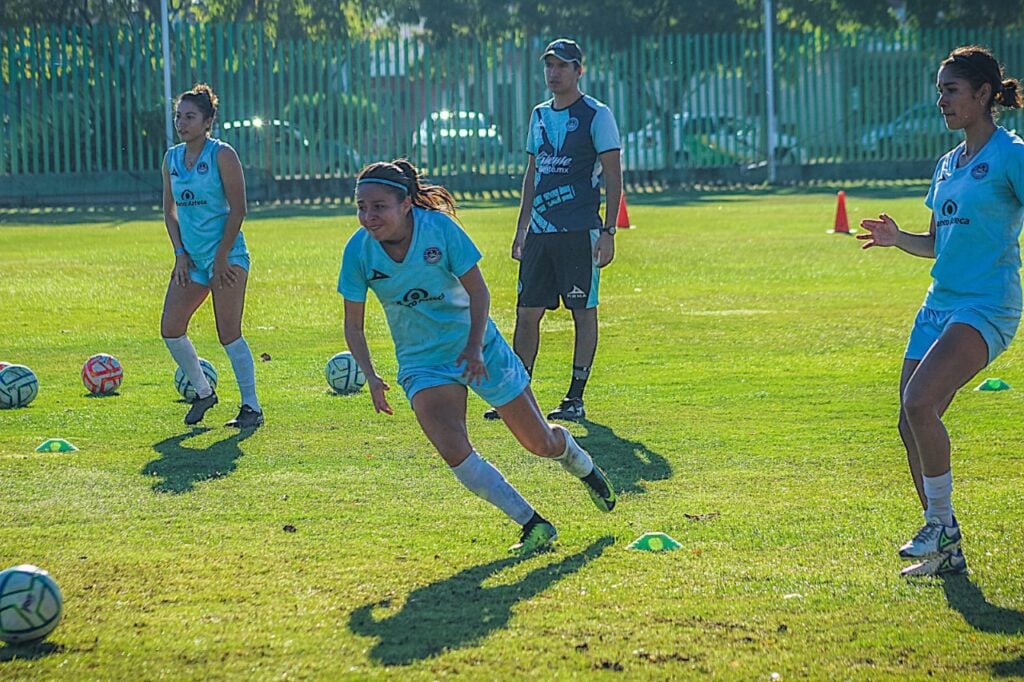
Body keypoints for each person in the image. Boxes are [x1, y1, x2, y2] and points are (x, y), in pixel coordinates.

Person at [338, 160, 616, 555]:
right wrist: (370, 375)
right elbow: (354, 326)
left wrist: (472, 347)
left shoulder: (439, 230)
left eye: (378, 206)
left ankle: (578, 460)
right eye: (361, 206)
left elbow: (479, 293)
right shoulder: (359, 251)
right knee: (454, 451)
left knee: (540, 444)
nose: (368, 216)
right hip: (423, 362)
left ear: (405, 205)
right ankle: (533, 524)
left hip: (479, 347)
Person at [858, 45, 1024, 577]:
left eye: (951, 90)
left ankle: (941, 526)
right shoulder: (948, 163)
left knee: (921, 401)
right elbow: (936, 243)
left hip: (987, 305)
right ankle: (947, 548)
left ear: (983, 94)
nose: (941, 100)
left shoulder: (1011, 154)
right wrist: (896, 237)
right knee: (911, 421)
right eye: (939, 91)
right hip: (940, 303)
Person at [484, 38, 622, 423]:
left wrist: (609, 230)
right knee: (527, 312)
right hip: (540, 233)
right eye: (549, 65)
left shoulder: (597, 114)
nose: (554, 72)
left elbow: (613, 174)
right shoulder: (539, 115)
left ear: (579, 70)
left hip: (579, 230)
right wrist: (521, 228)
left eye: (562, 65)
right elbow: (534, 173)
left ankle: (575, 397)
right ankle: (517, 397)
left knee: (582, 310)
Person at [160, 83, 264, 429]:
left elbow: (239, 210)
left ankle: (251, 407)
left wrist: (221, 257)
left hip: (228, 256)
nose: (181, 123)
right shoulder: (171, 158)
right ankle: (204, 392)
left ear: (208, 121)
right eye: (178, 116)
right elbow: (169, 211)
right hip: (193, 260)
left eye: (189, 116)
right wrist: (179, 253)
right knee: (171, 328)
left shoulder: (222, 154)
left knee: (228, 333)